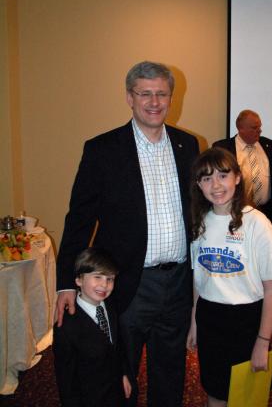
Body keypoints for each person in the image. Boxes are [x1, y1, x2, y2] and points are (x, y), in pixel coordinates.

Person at [55, 61, 200, 407]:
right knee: (120, 376)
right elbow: (79, 221)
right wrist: (65, 282)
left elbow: (201, 210)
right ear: (129, 98)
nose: (154, 101)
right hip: (127, 285)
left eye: (161, 93)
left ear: (171, 98)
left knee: (171, 372)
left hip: (178, 283)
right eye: (145, 93)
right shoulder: (102, 149)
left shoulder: (188, 145)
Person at [186, 147, 272, 407]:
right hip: (210, 317)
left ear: (238, 178)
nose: (216, 185)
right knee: (215, 391)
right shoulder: (201, 222)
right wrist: (195, 321)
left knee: (246, 397)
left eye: (223, 175)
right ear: (199, 184)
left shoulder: (257, 223)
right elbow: (200, 279)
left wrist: (262, 342)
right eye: (206, 178)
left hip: (246, 321)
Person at [53, 248, 131, 406]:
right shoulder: (66, 327)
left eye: (110, 279)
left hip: (115, 393)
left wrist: (123, 374)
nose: (105, 285)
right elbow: (66, 380)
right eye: (97, 277)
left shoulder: (110, 305)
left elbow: (117, 347)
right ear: (78, 280)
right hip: (89, 398)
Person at [212, 109, 272, 226]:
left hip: (266, 208)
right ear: (240, 128)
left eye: (259, 127)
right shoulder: (222, 147)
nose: (259, 130)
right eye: (254, 128)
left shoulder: (268, 144)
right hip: (236, 208)